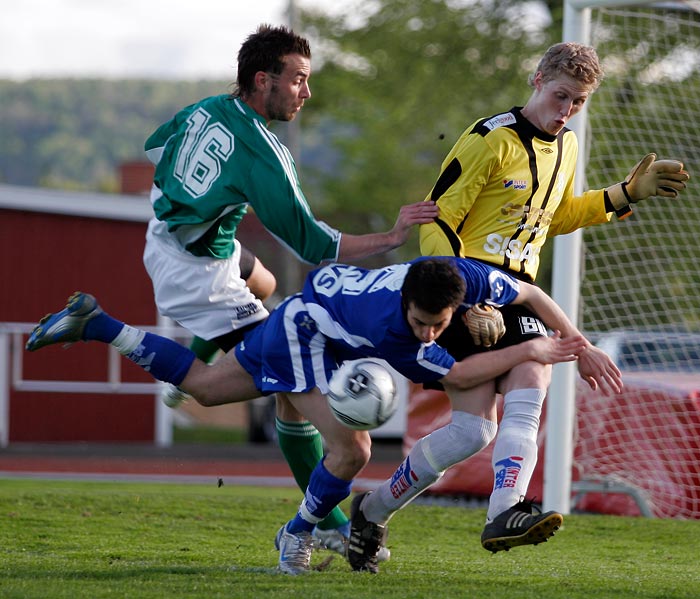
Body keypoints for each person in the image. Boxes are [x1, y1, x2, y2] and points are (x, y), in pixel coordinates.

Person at [25, 256, 621, 575]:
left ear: (457, 300)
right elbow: (460, 376)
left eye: (440, 323)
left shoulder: (457, 277)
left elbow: (532, 296)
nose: (431, 331)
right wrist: (535, 349)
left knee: (205, 387)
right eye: (422, 322)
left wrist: (579, 341)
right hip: (304, 338)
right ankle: (295, 536)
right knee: (353, 451)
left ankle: (98, 322)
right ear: (406, 308)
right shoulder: (392, 330)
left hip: (309, 316)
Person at [346, 41, 691, 568]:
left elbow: (554, 217)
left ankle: (502, 511)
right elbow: (437, 223)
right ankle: (372, 510)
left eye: (577, 102)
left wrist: (623, 194)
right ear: (536, 80)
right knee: (472, 430)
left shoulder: (568, 145)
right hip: (466, 285)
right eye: (560, 96)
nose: (566, 111)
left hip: (520, 290)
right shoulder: (489, 139)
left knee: (533, 377)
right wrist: (460, 302)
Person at [141, 24, 438, 555]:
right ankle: (327, 524)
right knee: (291, 385)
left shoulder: (208, 106)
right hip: (198, 279)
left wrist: (204, 202)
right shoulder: (264, 152)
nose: (306, 92)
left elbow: (153, 145)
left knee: (269, 283)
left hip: (172, 238)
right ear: (263, 79)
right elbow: (314, 243)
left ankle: (199, 353)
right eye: (299, 79)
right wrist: (392, 236)